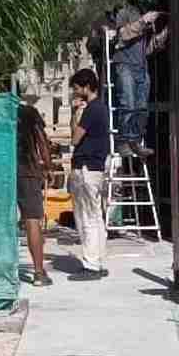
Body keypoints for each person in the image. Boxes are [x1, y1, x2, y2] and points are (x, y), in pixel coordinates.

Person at [102, 5, 166, 158]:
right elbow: (123, 35)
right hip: (125, 66)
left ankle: (135, 142)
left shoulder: (144, 25)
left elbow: (147, 50)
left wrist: (163, 35)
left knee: (142, 108)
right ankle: (124, 142)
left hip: (141, 67)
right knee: (128, 104)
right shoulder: (125, 15)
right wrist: (144, 21)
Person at [67, 67, 110, 279]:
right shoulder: (100, 108)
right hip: (94, 167)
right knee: (95, 216)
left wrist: (75, 113)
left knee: (86, 217)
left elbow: (75, 138)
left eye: (77, 88)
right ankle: (98, 261)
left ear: (86, 87)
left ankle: (91, 264)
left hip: (86, 167)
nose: (75, 92)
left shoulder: (92, 110)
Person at [16, 102, 55, 286]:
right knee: (32, 221)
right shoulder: (29, 112)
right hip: (27, 171)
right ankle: (39, 273)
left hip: (2, 171)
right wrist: (48, 167)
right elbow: (42, 141)